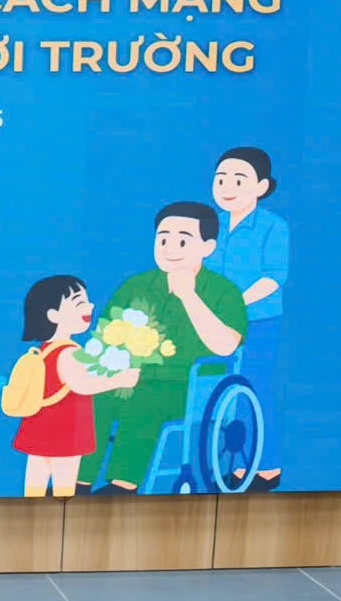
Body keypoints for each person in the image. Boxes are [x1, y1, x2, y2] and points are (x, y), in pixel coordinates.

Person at [79, 202, 248, 492]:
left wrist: (188, 296)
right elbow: (104, 337)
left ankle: (123, 484)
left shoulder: (224, 291)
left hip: (190, 386)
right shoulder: (136, 286)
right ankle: (78, 481)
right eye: (163, 239)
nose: (170, 248)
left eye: (182, 241)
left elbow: (225, 347)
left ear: (207, 247)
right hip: (129, 376)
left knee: (142, 402)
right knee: (92, 399)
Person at [10, 275, 140, 498]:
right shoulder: (69, 352)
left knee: (35, 480)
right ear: (53, 315)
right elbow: (82, 385)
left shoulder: (44, 349)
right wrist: (120, 379)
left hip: (39, 427)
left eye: (87, 301)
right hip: (65, 431)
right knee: (65, 484)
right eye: (79, 302)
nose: (90, 306)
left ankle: (31, 508)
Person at [206, 147, 287, 490]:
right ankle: (235, 465)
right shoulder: (211, 225)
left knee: (254, 386)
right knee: (219, 388)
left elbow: (273, 277)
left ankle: (266, 468)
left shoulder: (273, 227)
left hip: (258, 321)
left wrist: (235, 303)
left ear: (262, 186)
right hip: (214, 323)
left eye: (239, 180)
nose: (227, 187)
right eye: (221, 179)